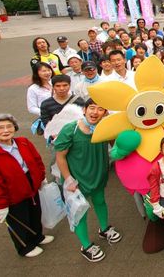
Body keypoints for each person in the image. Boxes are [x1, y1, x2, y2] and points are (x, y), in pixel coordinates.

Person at [55, 99, 122, 262]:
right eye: (92, 108)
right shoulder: (71, 129)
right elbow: (60, 157)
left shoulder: (104, 127)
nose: (95, 112)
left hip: (98, 175)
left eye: (100, 109)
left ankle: (104, 229)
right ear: (84, 110)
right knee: (80, 212)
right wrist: (68, 179)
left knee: (100, 201)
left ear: (105, 113)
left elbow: (115, 146)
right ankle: (86, 246)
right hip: (77, 180)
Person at [0, 114, 52, 257]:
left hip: (31, 184)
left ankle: (37, 237)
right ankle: (25, 247)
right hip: (13, 193)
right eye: (0, 128)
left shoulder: (23, 142)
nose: (6, 130)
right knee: (20, 219)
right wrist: (1, 205)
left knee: (35, 213)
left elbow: (37, 160)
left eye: (9, 126)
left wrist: (41, 177)